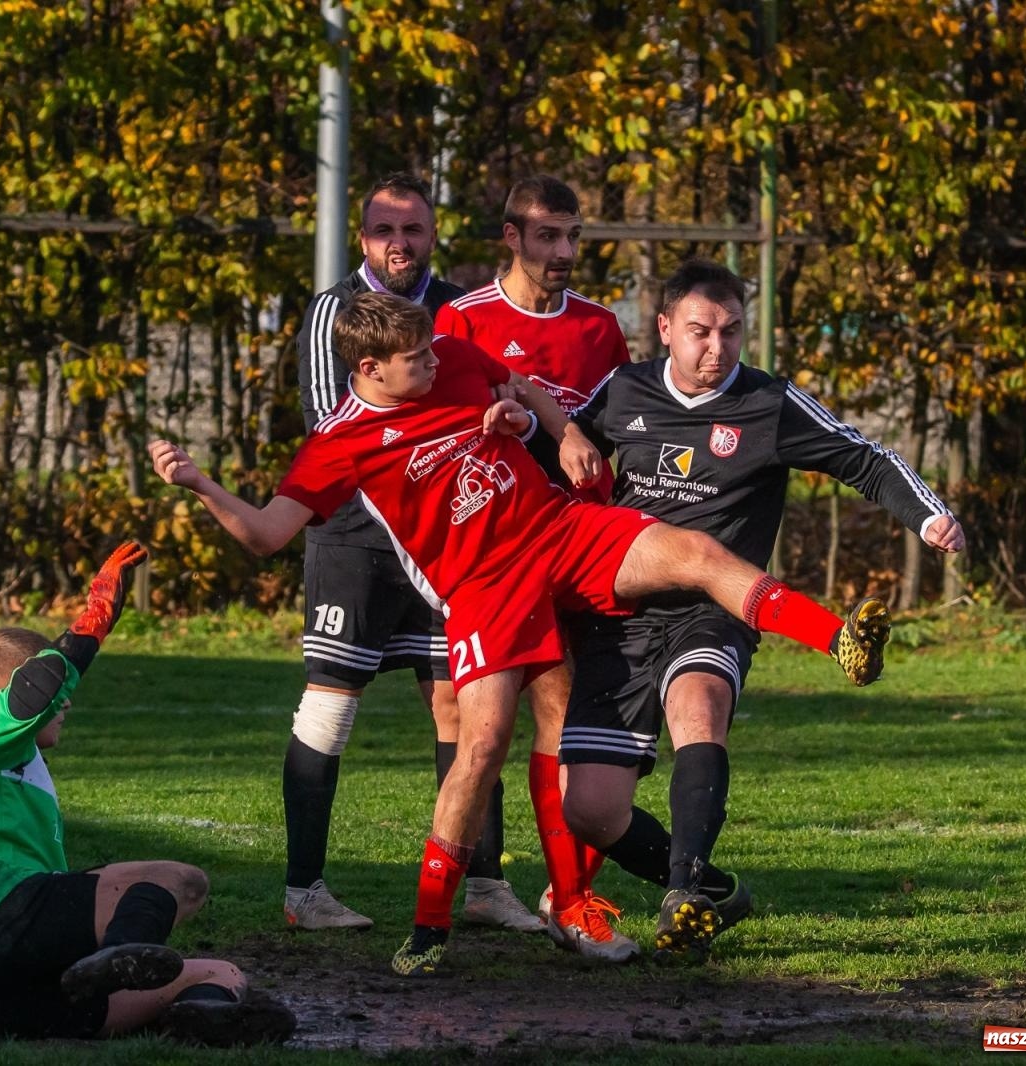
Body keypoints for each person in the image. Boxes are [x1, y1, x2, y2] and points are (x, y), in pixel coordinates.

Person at [149, 292, 892, 978]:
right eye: (420, 360)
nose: (440, 361)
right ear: (371, 369)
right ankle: (430, 928)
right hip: (482, 592)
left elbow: (519, 384)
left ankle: (838, 640)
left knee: (693, 554)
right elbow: (265, 534)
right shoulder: (338, 443)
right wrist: (201, 486)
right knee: (480, 747)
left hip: (557, 530)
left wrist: (557, 431)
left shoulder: (452, 357)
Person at [552, 258, 964, 963]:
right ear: (664, 329)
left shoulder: (768, 404)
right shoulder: (624, 390)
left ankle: (682, 896)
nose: (718, 349)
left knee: (698, 708)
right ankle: (716, 888)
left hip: (717, 608)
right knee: (589, 809)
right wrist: (549, 433)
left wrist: (927, 517)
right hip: (619, 617)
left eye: (733, 332)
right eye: (701, 332)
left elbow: (863, 458)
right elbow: (560, 442)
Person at [288, 172, 537, 934]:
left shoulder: (456, 311)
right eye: (386, 231)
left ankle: (485, 883)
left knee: (464, 704)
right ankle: (304, 892)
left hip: (445, 543)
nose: (401, 244)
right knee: (331, 707)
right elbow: (345, 431)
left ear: (434, 236)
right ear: (363, 239)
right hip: (358, 542)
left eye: (414, 230)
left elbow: (481, 406)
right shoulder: (338, 313)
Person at [0, 541, 295, 1045]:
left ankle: (196, 1022)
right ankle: (117, 956)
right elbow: (43, 682)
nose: (67, 701)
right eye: (57, 696)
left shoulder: (20, 762)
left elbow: (42, 684)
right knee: (180, 880)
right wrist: (97, 615)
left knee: (220, 974)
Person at [433, 174, 634, 957]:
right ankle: (446, 906)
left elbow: (617, 428)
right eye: (547, 237)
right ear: (510, 238)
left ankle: (565, 893)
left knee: (571, 714)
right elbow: (446, 429)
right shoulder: (465, 319)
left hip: (579, 545)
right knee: (480, 731)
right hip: (500, 556)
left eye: (573, 236)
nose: (563, 253)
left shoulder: (598, 328)